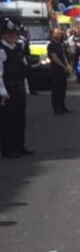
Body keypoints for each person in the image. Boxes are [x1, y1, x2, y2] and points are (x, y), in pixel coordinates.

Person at [0, 17, 31, 157]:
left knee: (20, 117)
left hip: (18, 87)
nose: (13, 36)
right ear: (3, 35)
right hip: (8, 88)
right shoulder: (1, 50)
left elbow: (22, 70)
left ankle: (19, 146)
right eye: (9, 34)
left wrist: (26, 88)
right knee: (8, 119)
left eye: (14, 34)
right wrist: (2, 91)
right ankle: (8, 149)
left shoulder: (18, 48)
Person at [46, 28, 71, 115]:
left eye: (60, 34)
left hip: (63, 70)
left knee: (63, 89)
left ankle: (62, 106)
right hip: (56, 70)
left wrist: (68, 65)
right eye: (57, 34)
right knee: (56, 90)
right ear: (53, 34)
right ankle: (56, 108)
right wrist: (64, 66)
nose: (60, 35)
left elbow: (64, 56)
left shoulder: (61, 44)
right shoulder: (51, 45)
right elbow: (55, 58)